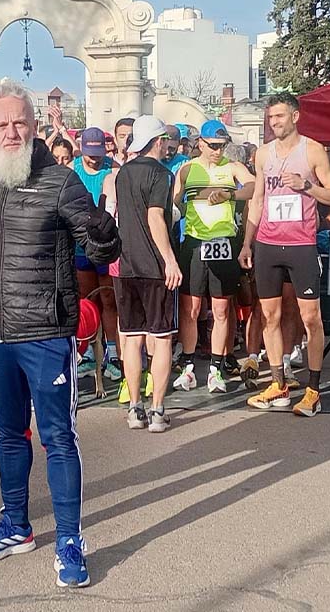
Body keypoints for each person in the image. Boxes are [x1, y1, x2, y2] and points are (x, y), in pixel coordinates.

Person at [0, 81, 120, 588]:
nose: (12, 132)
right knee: (9, 433)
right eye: (1, 124)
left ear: (35, 126)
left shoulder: (61, 181)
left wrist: (100, 230)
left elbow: (100, 251)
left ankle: (71, 540)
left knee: (58, 437)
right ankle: (15, 524)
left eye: (20, 123)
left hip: (47, 332)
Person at [240, 93, 330, 416]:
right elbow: (257, 199)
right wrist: (247, 243)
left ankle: (312, 390)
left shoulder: (312, 150)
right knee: (269, 316)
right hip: (268, 244)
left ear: (295, 117)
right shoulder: (262, 154)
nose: (274, 123)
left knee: (310, 318)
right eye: (271, 118)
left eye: (280, 117)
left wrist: (305, 186)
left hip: (301, 245)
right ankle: (278, 383)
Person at [172, 120, 255, 394]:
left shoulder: (231, 167)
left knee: (221, 309)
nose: (218, 151)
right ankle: (187, 366)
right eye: (213, 146)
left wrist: (229, 194)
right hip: (195, 243)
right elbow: (174, 201)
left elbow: (253, 187)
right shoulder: (186, 169)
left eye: (222, 146)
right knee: (191, 309)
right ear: (201, 144)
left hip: (223, 243)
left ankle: (217, 369)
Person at [113, 116, 182, 432]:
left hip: (126, 266)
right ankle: (157, 410)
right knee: (162, 337)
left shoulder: (123, 173)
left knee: (132, 338)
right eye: (165, 139)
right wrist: (169, 259)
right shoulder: (162, 174)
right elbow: (155, 217)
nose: (168, 144)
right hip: (155, 268)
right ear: (158, 141)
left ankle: (134, 408)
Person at [70, 126, 121, 380]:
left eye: (98, 152)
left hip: (107, 245)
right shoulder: (72, 169)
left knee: (109, 300)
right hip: (81, 246)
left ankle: (111, 352)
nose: (94, 158)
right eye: (90, 153)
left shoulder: (113, 169)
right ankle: (89, 351)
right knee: (87, 301)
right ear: (82, 149)